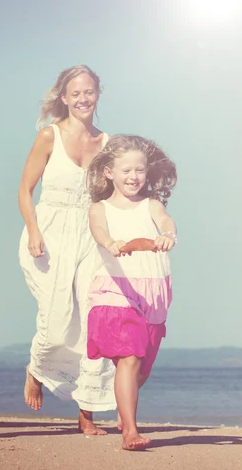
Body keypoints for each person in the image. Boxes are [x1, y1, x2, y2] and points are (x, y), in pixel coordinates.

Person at [18, 65, 116, 434]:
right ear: (64, 97)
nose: (82, 99)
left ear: (97, 93)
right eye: (75, 93)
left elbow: (116, 194)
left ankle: (86, 414)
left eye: (88, 92)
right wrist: (33, 231)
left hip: (91, 236)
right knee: (57, 321)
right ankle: (36, 368)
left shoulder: (109, 144)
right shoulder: (49, 136)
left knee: (92, 321)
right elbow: (24, 190)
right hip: (49, 233)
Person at [85, 134, 177, 450]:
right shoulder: (100, 208)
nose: (133, 177)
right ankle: (130, 433)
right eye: (126, 171)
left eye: (139, 170)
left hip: (153, 290)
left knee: (141, 366)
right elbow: (99, 231)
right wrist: (109, 243)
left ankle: (126, 409)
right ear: (109, 171)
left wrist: (167, 235)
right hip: (115, 288)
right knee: (130, 355)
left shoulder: (152, 205)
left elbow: (166, 221)